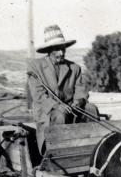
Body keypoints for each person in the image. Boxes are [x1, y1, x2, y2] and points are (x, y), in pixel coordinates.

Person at [27, 24, 89, 153]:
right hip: (47, 109)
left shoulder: (75, 68)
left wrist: (77, 103)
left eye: (63, 49)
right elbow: (39, 95)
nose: (61, 53)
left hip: (70, 107)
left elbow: (80, 91)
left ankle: (88, 151)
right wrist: (57, 106)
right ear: (49, 50)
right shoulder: (35, 66)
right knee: (60, 115)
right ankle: (54, 154)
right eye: (57, 49)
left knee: (91, 109)